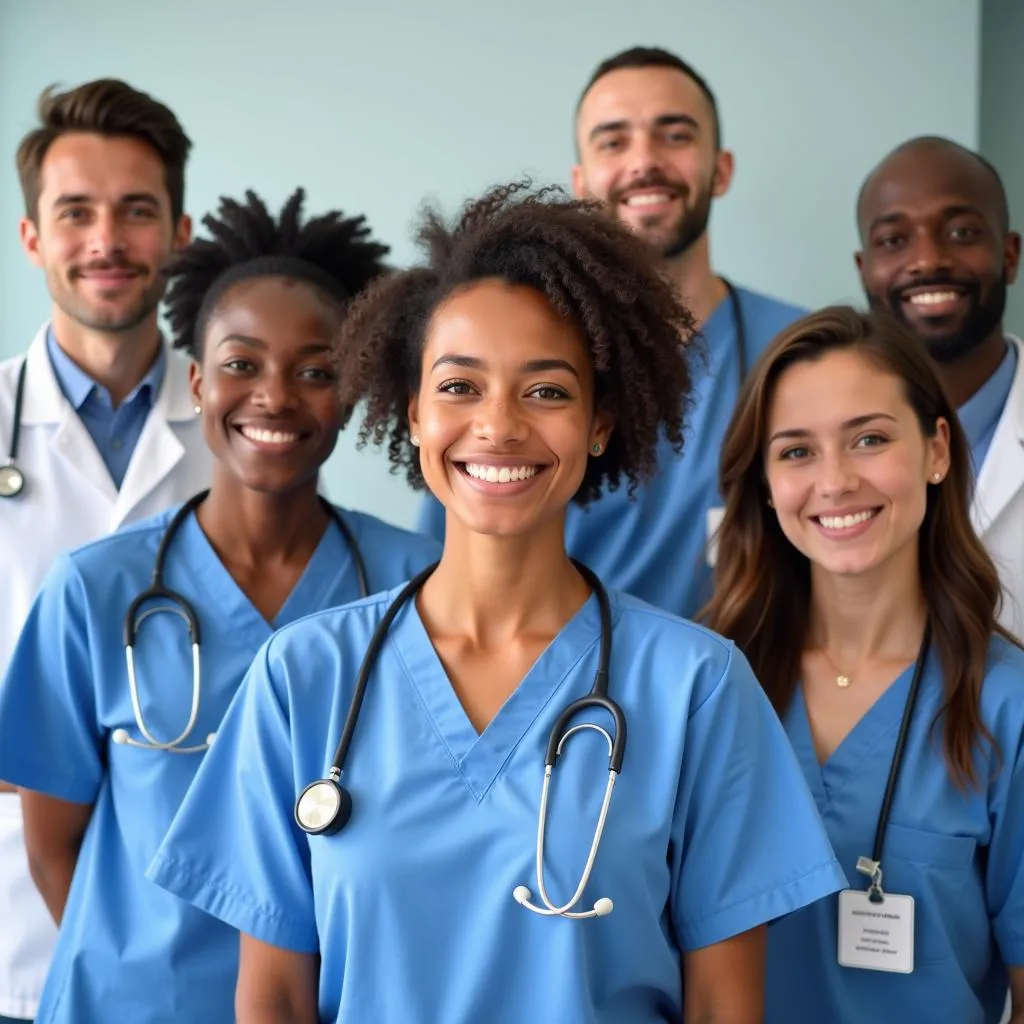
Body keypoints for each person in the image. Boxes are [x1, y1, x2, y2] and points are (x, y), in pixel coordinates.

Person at [148, 183, 844, 1024]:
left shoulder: (696, 688)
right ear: (412, 413)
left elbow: (726, 1010)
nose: (499, 426)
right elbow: (273, 1000)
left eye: (546, 390)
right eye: (460, 387)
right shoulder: (304, 677)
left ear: (599, 421)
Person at [0, 188, 440, 1024]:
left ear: (349, 393)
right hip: (131, 1001)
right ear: (197, 381)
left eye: (316, 370)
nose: (274, 395)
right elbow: (52, 847)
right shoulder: (95, 590)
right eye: (241, 364)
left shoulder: (414, 583)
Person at [703, 307, 1024, 1024]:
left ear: (937, 449)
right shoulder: (707, 687)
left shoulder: (1007, 706)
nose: (836, 481)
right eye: (796, 452)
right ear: (761, 481)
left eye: (869, 439)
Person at [414, 47, 805, 619]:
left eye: (674, 136)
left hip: (744, 681)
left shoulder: (795, 349)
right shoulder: (516, 354)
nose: (644, 162)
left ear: (720, 169)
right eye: (613, 141)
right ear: (581, 181)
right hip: (557, 684)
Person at [0, 78, 209, 1024]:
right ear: (32, 235)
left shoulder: (246, 432)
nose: (106, 242)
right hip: (12, 938)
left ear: (180, 233)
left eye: (136, 211)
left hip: (192, 933)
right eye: (74, 212)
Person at [856, 136, 1023, 637]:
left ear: (1010, 254)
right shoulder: (818, 437)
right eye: (893, 239)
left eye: (962, 231)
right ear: (864, 270)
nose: (928, 260)